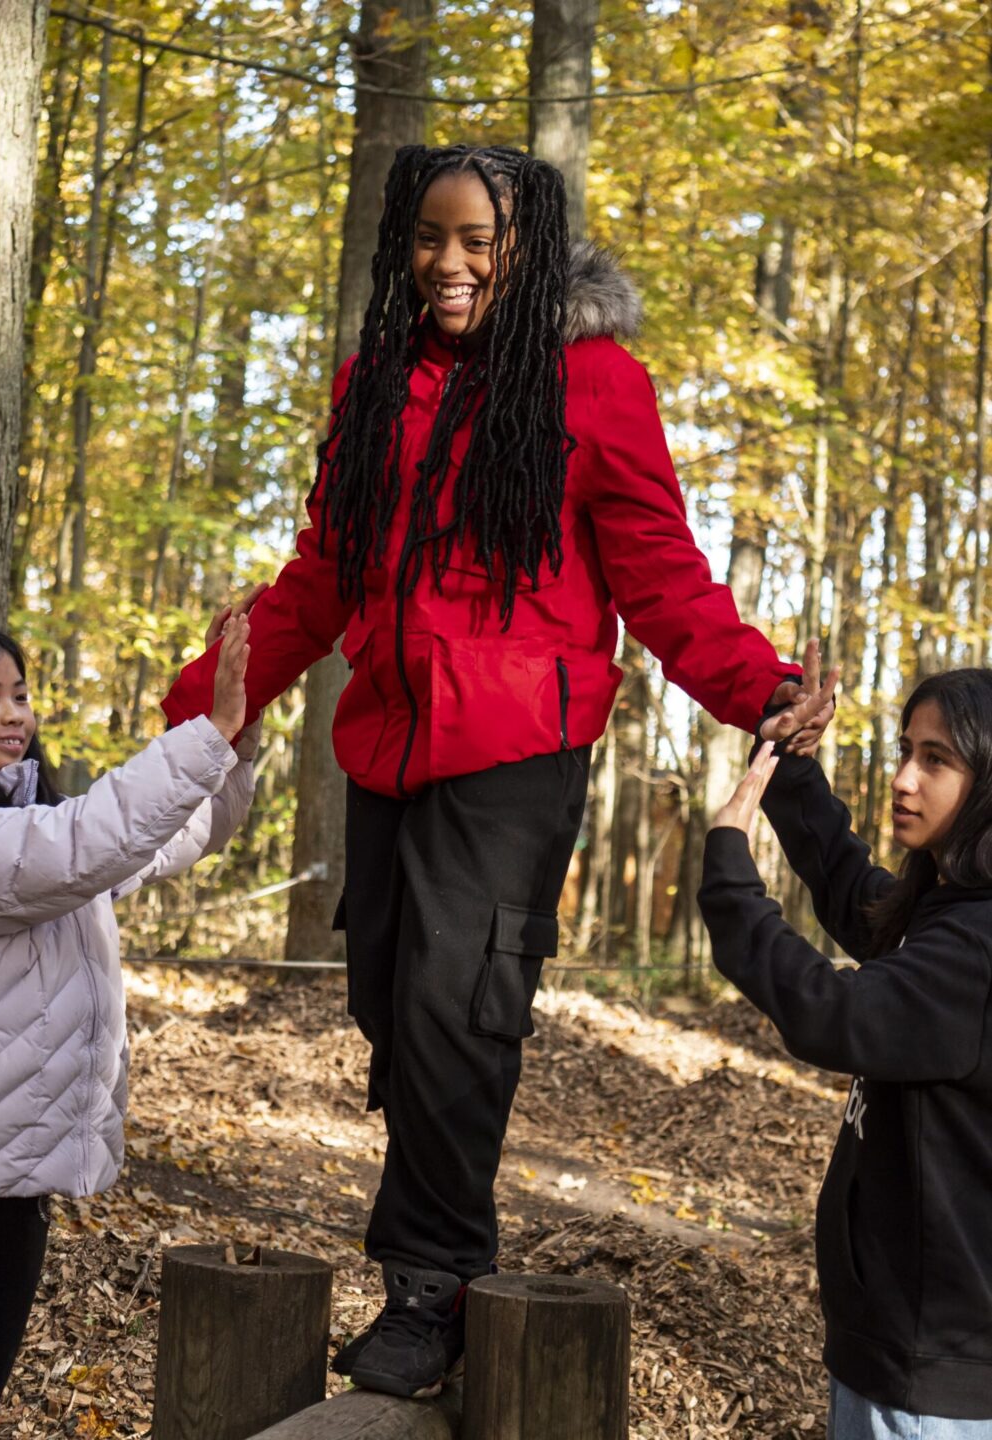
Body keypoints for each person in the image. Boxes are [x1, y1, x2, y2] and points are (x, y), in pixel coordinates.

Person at [162, 143, 835, 1399]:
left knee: (455, 1012)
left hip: (519, 749)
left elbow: (660, 579)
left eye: (479, 240)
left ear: (527, 247)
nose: (451, 262)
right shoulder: (371, 382)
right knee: (385, 1000)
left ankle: (430, 1287)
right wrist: (211, 700)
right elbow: (323, 571)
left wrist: (764, 685)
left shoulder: (596, 383)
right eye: (430, 236)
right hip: (387, 742)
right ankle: (432, 1256)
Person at [0, 613, 258, 1440]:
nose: (14, 713)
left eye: (20, 694)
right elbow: (79, 846)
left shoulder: (46, 831)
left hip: (16, 1184)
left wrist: (236, 741)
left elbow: (175, 835)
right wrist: (207, 733)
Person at [699, 655, 992, 1438]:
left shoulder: (977, 947)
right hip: (899, 1348)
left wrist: (729, 877)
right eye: (905, 750)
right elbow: (861, 902)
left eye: (937, 761)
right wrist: (792, 774)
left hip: (933, 1381)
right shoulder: (949, 908)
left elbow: (830, 1012)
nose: (903, 778)